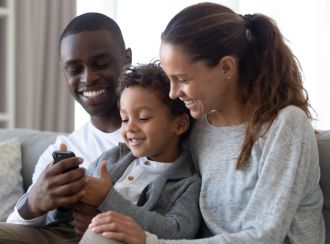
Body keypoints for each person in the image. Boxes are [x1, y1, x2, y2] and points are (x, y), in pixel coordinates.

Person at [84, 2, 325, 244]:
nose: (173, 93)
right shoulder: (199, 127)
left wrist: (150, 242)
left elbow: (265, 235)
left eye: (182, 79)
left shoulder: (286, 125)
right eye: (170, 80)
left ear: (226, 67)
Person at [0, 12, 132, 243]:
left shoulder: (160, 134)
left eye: (100, 64)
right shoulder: (65, 147)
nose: (88, 78)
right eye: (74, 69)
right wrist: (34, 202)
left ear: (126, 59)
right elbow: (14, 230)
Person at [78, 63, 201, 243]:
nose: (130, 127)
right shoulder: (111, 158)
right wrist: (68, 191)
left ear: (180, 125)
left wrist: (107, 198)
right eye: (124, 119)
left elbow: (178, 231)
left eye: (143, 118)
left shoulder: (188, 184)